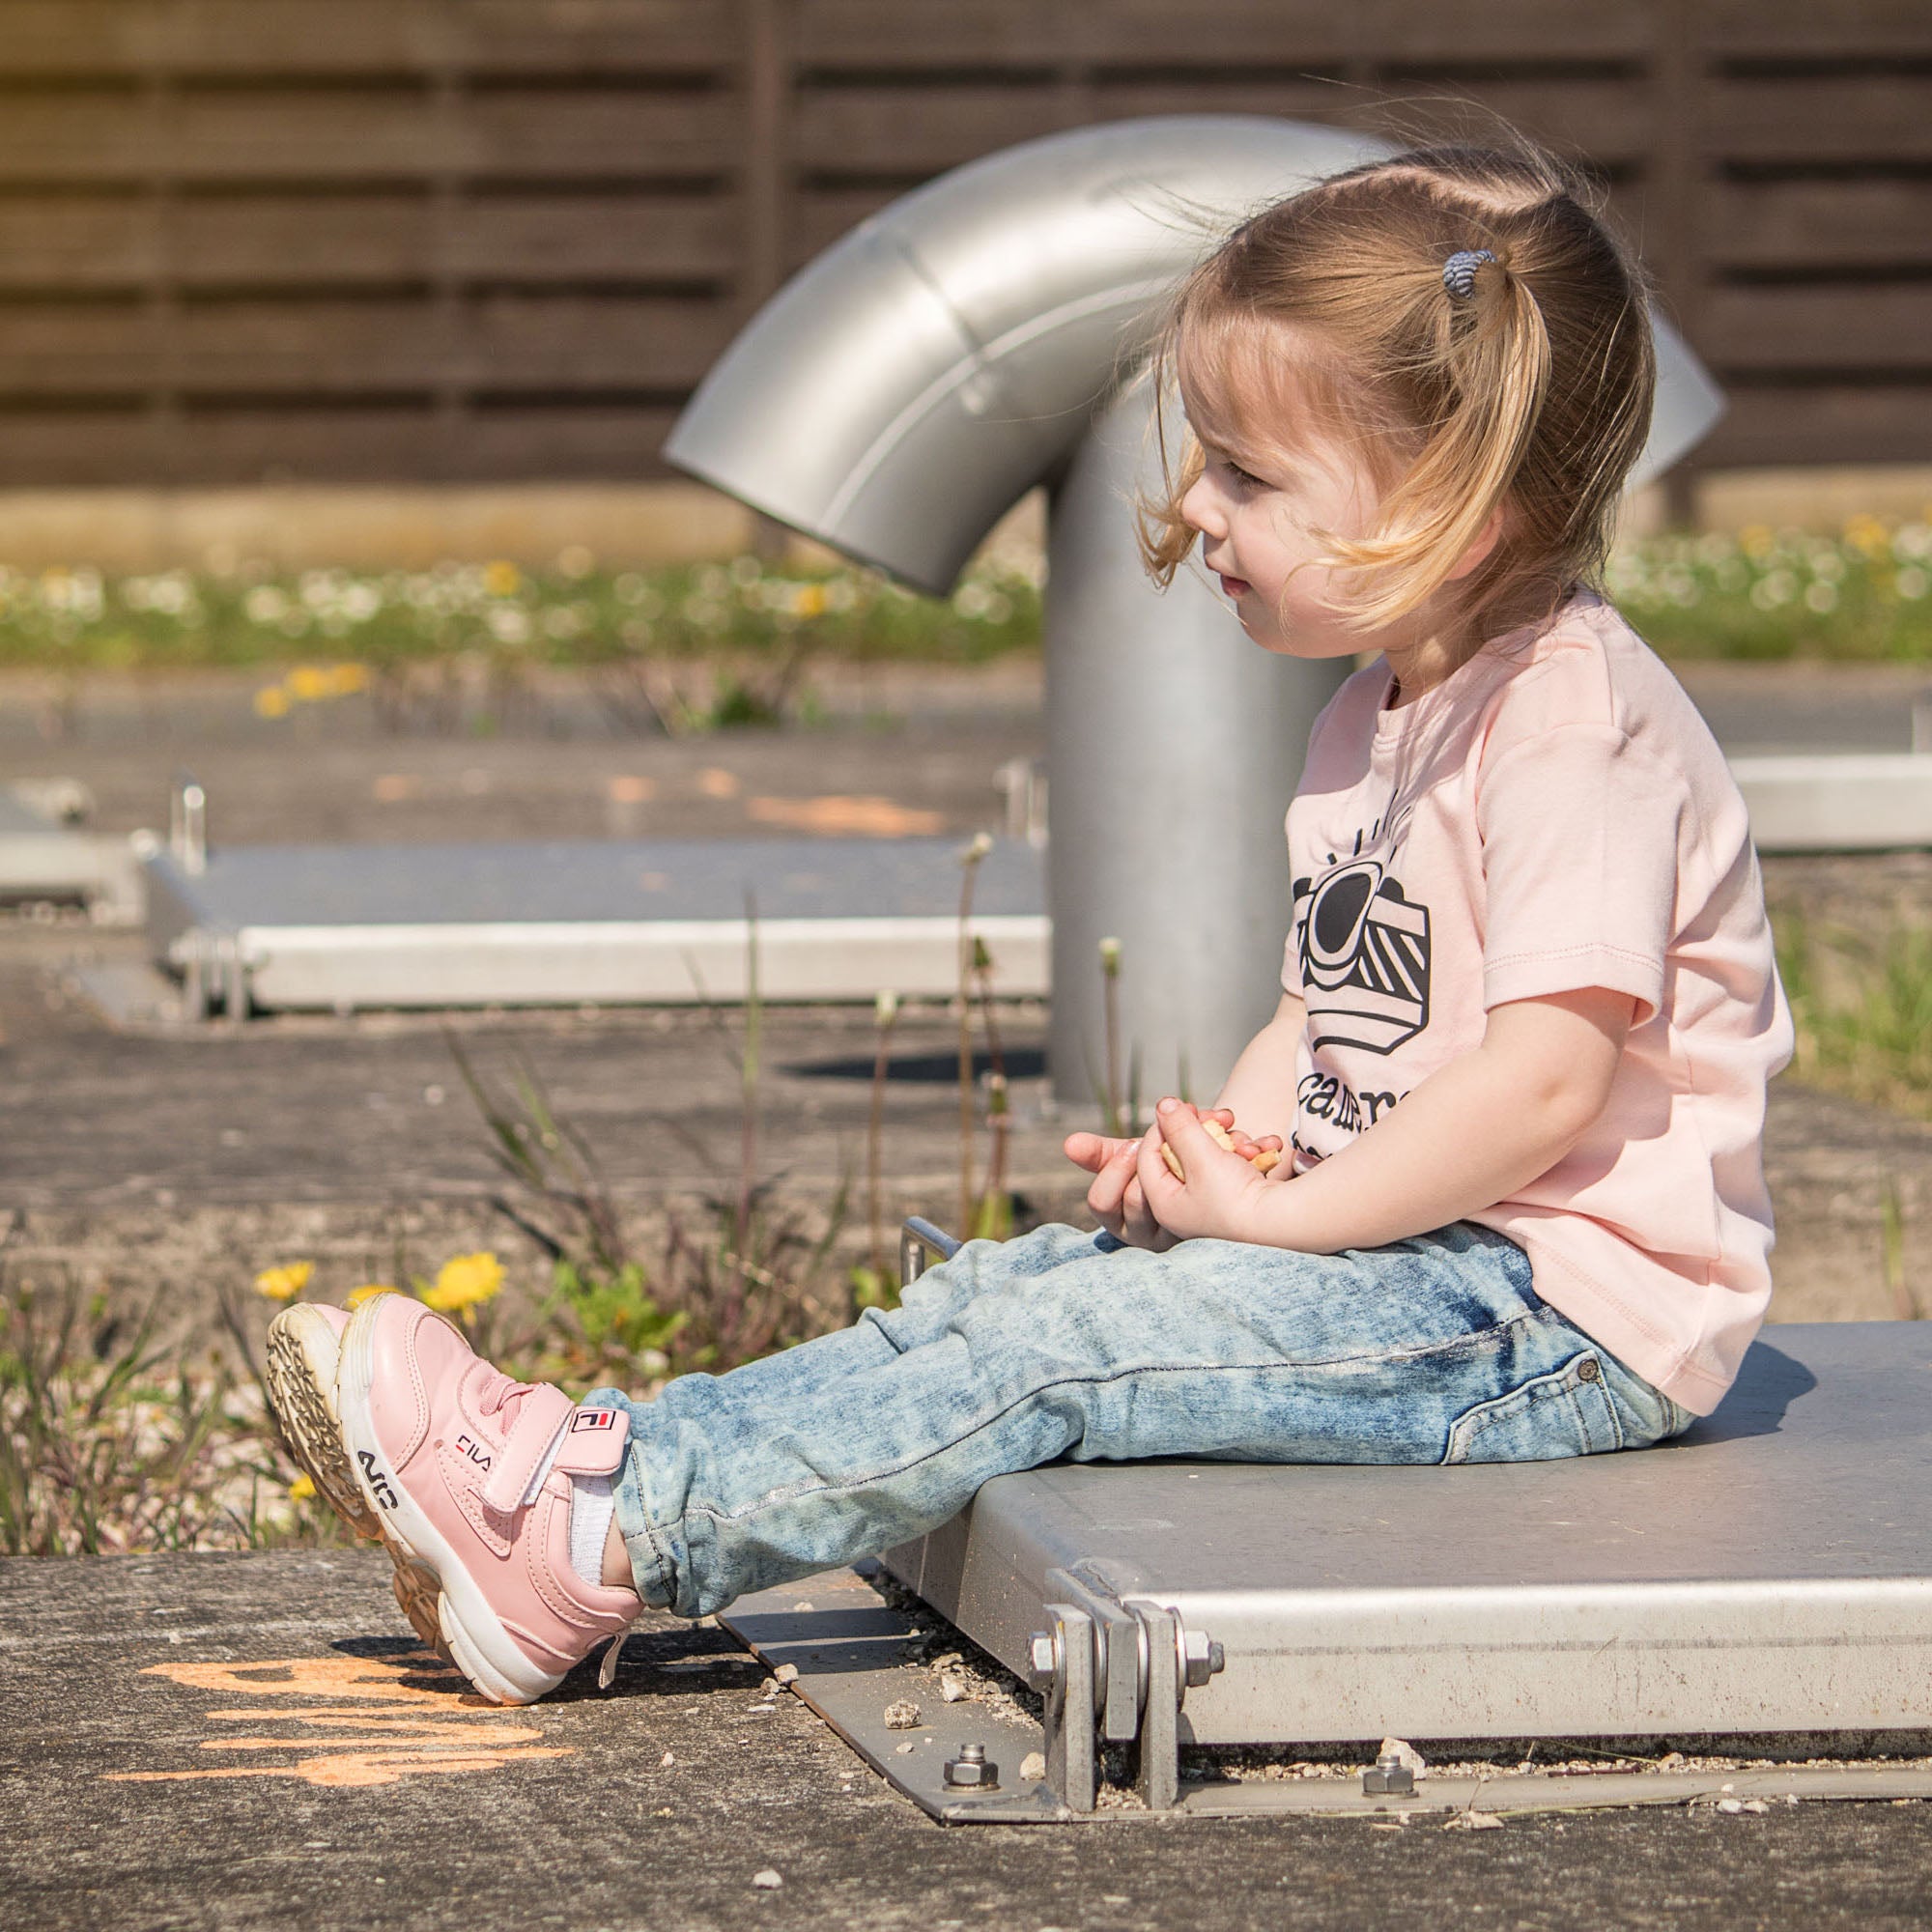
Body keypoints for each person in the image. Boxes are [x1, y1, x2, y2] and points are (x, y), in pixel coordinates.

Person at [267, 140, 1793, 1707]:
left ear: (1456, 517)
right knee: (1004, 1295)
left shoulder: (1569, 725)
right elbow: (1325, 1018)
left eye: (1252, 476)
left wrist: (1271, 1226)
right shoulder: (1375, 713)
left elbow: (1546, 1082)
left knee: (1062, 1357)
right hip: (1425, 1259)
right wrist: (1226, 1155)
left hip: (1554, 1317)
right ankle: (584, 1462)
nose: (1198, 505)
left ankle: (596, 1538)